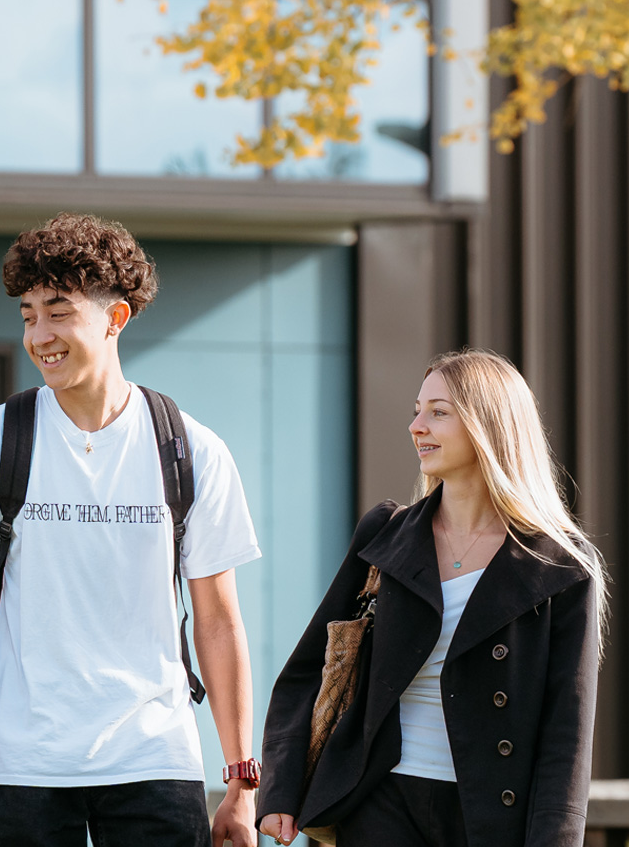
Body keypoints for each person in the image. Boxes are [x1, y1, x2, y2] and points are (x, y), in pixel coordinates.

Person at [0, 213, 263, 847]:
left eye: (58, 311)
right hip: (19, 769)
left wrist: (241, 783)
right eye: (27, 316)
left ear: (115, 318)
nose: (39, 335)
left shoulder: (190, 451)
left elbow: (218, 620)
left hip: (157, 761)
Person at [257, 349, 604, 847]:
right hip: (379, 801)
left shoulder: (561, 567)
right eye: (417, 410)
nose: (417, 426)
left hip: (491, 816)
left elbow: (566, 735)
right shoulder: (387, 533)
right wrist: (281, 789)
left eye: (438, 412)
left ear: (492, 425)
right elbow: (307, 670)